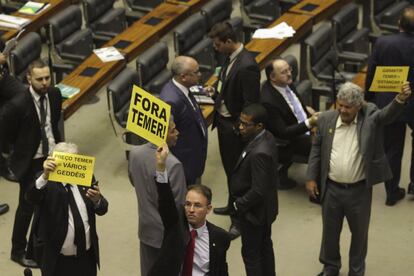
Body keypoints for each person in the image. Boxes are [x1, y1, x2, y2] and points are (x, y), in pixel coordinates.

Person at [306, 82, 411, 276]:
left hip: (359, 191)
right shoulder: (327, 119)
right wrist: (311, 177)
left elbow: (386, 115)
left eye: (348, 107)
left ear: (359, 106)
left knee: (359, 235)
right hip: (331, 188)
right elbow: (316, 149)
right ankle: (330, 266)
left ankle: (356, 270)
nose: (343, 110)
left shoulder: (369, 118)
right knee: (329, 232)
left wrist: (399, 100)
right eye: (340, 105)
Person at [1, 59, 62, 267]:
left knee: (54, 200)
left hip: (53, 156)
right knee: (27, 207)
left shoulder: (54, 94)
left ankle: (46, 242)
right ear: (29, 78)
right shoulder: (17, 104)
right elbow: (5, 135)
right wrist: (18, 153)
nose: (45, 82)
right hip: (31, 162)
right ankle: (17, 251)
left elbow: (53, 124)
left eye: (47, 77)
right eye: (40, 79)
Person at [207, 22, 260, 238]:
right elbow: (225, 82)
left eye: (218, 44)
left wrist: (239, 129)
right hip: (223, 122)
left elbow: (251, 103)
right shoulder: (229, 56)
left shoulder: (248, 65)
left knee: (237, 176)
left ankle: (237, 221)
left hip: (234, 129)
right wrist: (215, 92)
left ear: (229, 41)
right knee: (230, 171)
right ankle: (231, 205)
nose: (216, 48)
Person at [25, 142, 108, 276]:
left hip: (86, 259)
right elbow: (31, 197)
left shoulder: (85, 178)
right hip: (58, 262)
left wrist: (97, 200)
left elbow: (102, 209)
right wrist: (45, 176)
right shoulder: (46, 183)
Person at [149, 144, 231, 276]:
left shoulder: (220, 237)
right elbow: (166, 200)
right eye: (188, 204)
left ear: (208, 209)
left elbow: (221, 271)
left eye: (197, 205)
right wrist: (161, 166)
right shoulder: (175, 226)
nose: (191, 210)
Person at [365, 6, 414, 206]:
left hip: (389, 102)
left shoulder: (383, 42)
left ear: (398, 24)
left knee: (392, 148)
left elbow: (372, 72)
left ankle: (391, 192)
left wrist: (369, 97)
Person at [129, 117, 186, 276]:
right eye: (173, 130)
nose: (177, 133)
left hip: (146, 229)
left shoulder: (134, 154)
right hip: (168, 237)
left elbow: (134, 181)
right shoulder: (174, 165)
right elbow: (179, 206)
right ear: (161, 134)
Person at [230, 103, 278, 276]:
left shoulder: (260, 153)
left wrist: (238, 205)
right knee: (265, 248)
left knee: (251, 255)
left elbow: (258, 190)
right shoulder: (266, 137)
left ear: (259, 126)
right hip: (263, 211)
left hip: (254, 213)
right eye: (240, 122)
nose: (240, 127)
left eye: (245, 124)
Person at [261, 57, 319, 189]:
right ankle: (318, 187)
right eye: (283, 72)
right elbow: (283, 132)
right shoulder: (268, 101)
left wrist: (308, 113)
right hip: (290, 141)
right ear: (272, 77)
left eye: (289, 69)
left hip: (304, 126)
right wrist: (310, 123)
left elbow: (296, 104)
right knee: (325, 145)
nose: (289, 73)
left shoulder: (286, 82)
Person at [159, 56, 208, 185]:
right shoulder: (171, 100)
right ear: (183, 77)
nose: (200, 74)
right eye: (196, 72)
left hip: (193, 156)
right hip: (184, 162)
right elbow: (166, 137)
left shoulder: (182, 89)